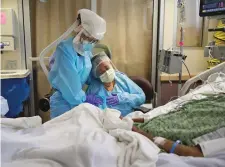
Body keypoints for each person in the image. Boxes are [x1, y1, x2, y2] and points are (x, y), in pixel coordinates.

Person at [48, 9, 106, 118]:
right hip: (63, 103)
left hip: (78, 101)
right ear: (80, 30)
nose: (90, 42)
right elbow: (70, 87)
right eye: (88, 38)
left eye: (94, 40)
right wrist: (87, 99)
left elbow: (86, 76)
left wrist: (101, 75)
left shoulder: (85, 51)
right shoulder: (65, 50)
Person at [86, 52, 146, 116]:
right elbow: (86, 107)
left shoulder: (121, 79)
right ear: (96, 75)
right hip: (106, 122)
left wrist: (122, 98)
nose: (106, 73)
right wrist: (87, 100)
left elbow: (141, 97)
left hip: (129, 118)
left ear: (111, 65)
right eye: (101, 72)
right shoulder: (94, 86)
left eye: (107, 68)